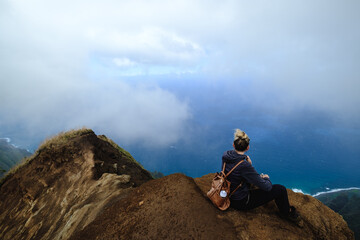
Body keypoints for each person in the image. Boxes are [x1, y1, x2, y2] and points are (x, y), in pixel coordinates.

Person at [222, 129, 301, 223]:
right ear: (248, 148)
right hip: (240, 201)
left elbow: (238, 173)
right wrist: (266, 178)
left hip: (227, 193)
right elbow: (267, 187)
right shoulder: (244, 165)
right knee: (280, 189)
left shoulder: (226, 155)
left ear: (233, 145)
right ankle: (287, 213)